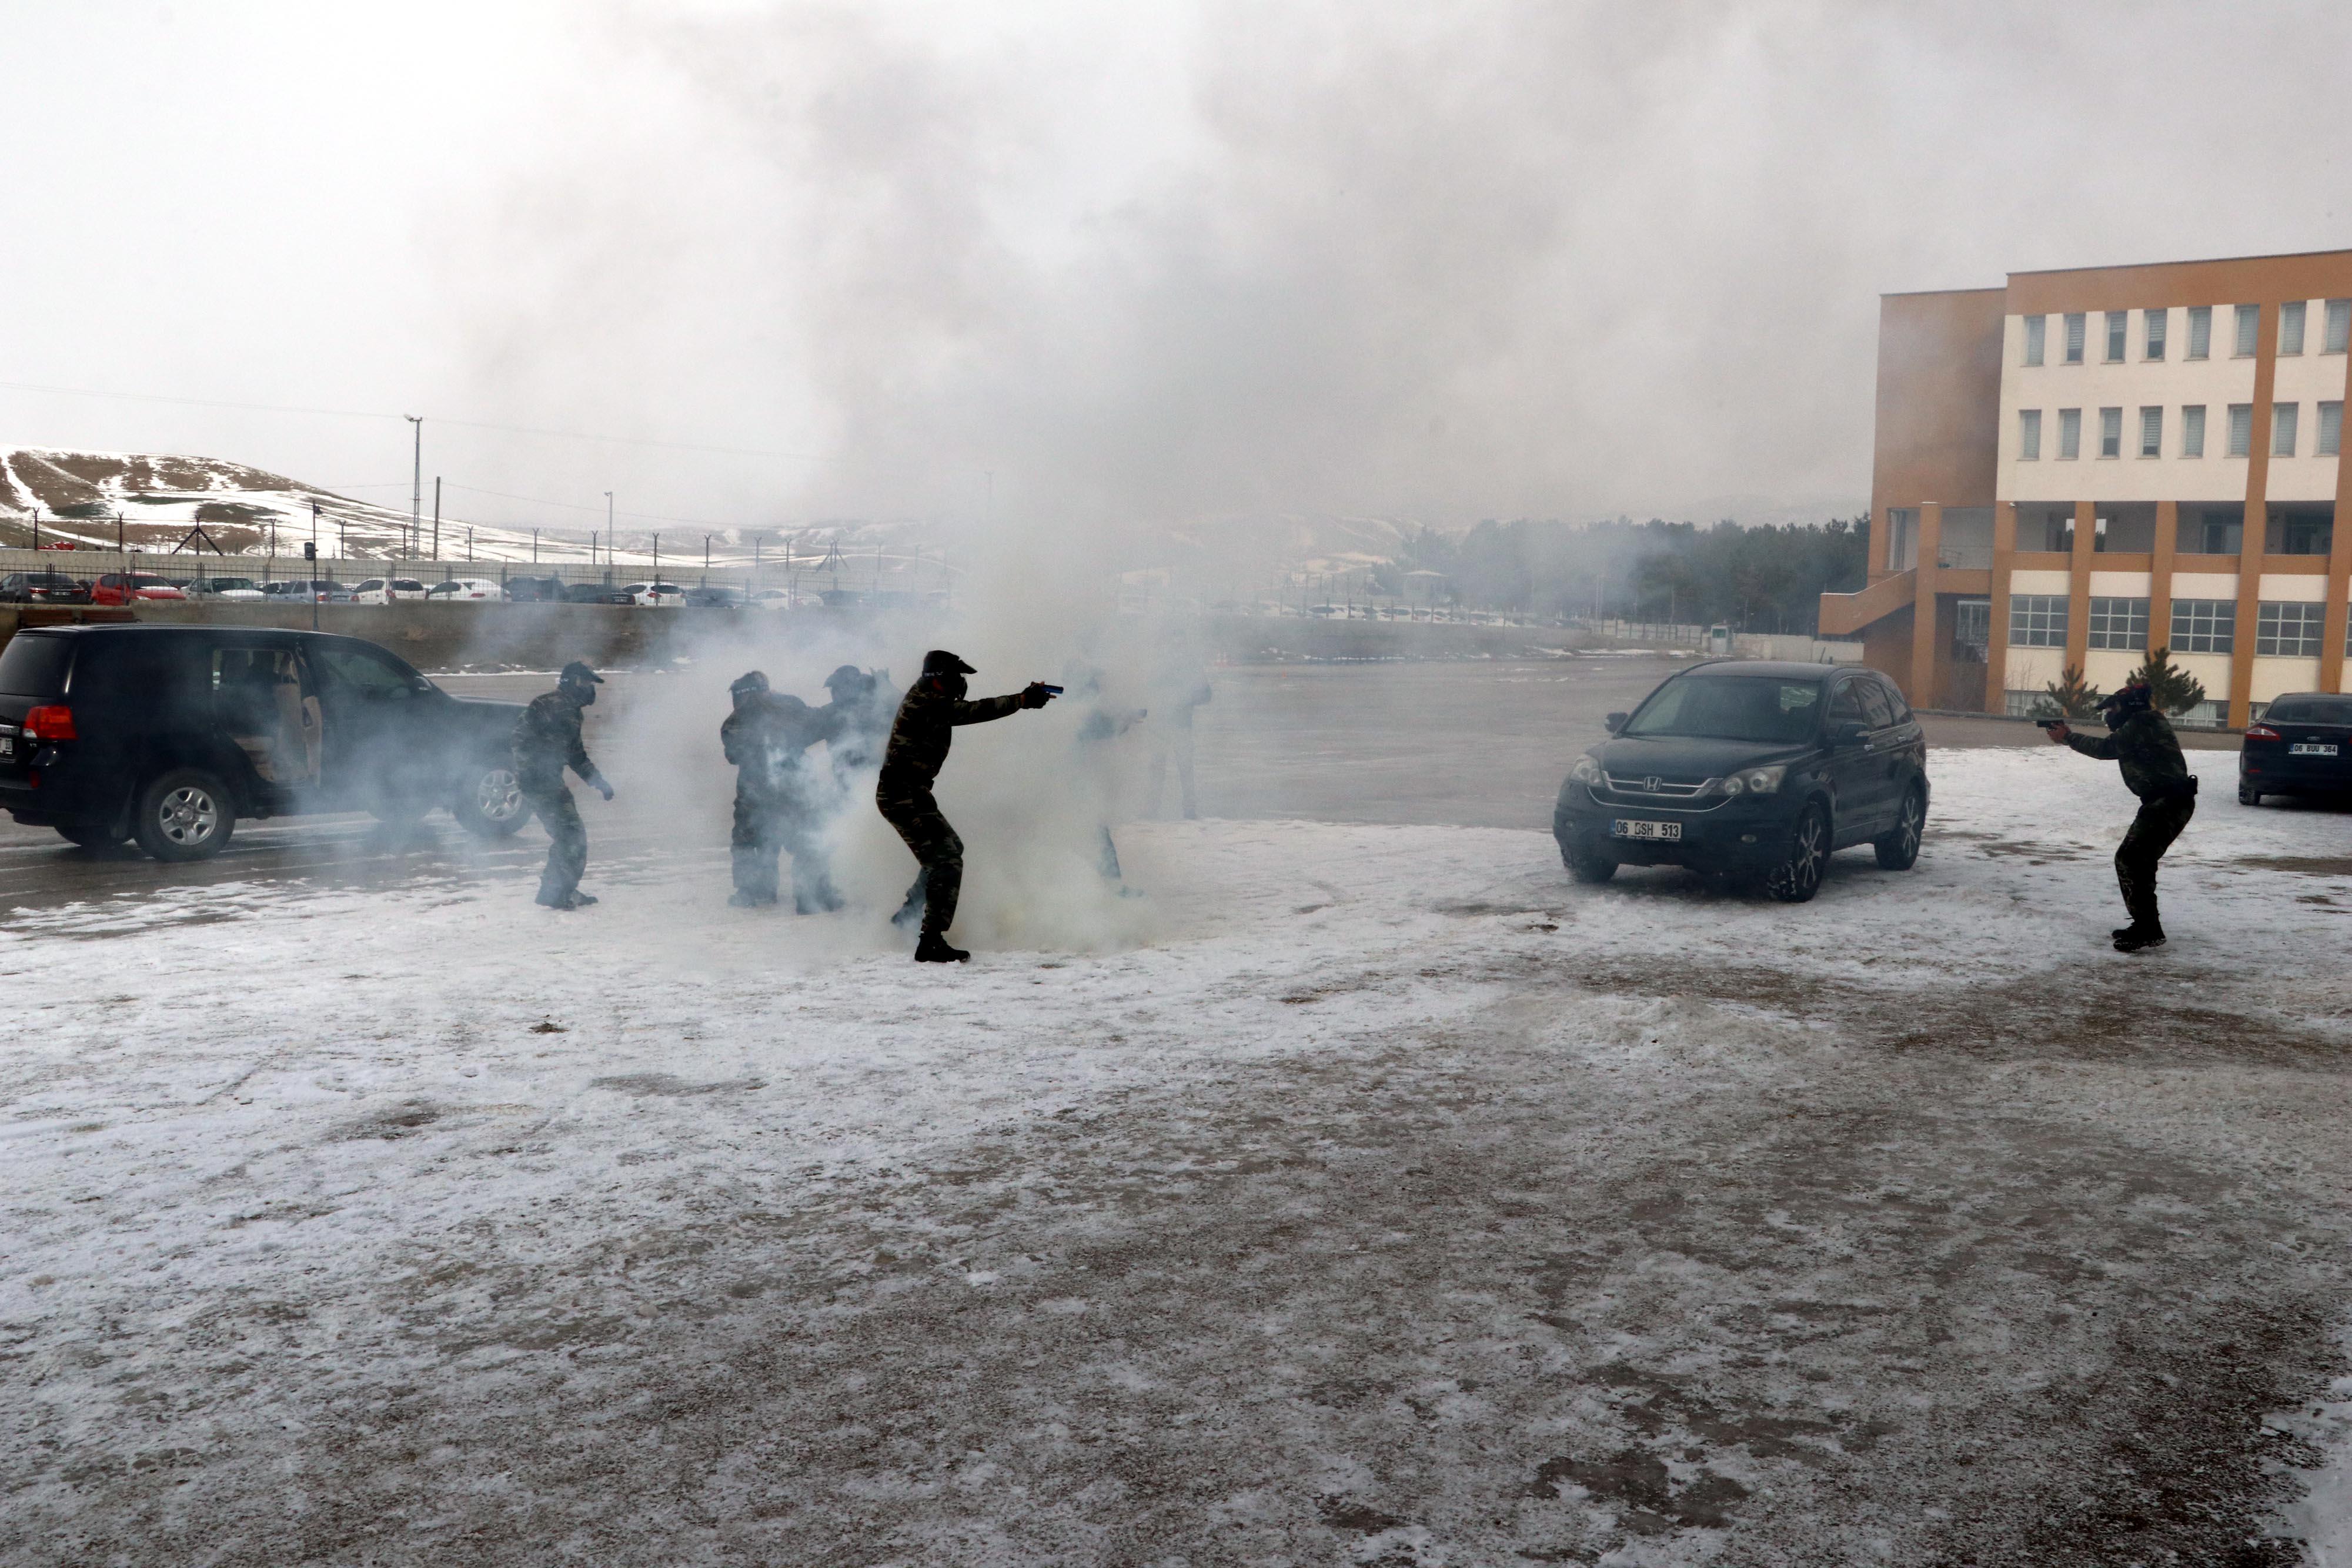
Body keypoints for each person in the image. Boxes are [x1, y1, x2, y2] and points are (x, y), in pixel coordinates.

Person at [876, 649, 1058, 962]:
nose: (960, 682)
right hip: (900, 795)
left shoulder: (929, 697)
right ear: (940, 677)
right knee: (945, 861)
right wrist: (1022, 700)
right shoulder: (926, 703)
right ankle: (930, 941)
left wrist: (1024, 698)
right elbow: (971, 712)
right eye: (955, 676)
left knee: (951, 850)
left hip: (912, 793)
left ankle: (907, 916)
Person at [2046, 674, 2196, 952]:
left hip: (2169, 802)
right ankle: (2144, 924)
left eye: (2113, 710)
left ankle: (2148, 929)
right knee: (2133, 859)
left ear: (2129, 707)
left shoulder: (2143, 722)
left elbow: (2107, 749)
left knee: (2133, 859)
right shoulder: (2144, 723)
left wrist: (2068, 737)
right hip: (2163, 801)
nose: (2109, 716)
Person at [720, 670, 844, 913]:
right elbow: (817, 725)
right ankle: (810, 894)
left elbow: (733, 756)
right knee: (806, 839)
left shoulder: (734, 722)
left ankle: (752, 891)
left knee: (750, 840)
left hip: (755, 793)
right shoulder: (788, 707)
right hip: (794, 788)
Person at [512, 661, 614, 910]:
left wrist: (597, 781)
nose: (591, 690)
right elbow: (572, 754)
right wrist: (596, 781)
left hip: (538, 780)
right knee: (571, 837)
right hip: (542, 782)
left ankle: (562, 889)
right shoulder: (561, 708)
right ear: (575, 682)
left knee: (567, 835)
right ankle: (556, 892)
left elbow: (571, 752)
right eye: (588, 683)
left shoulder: (556, 704)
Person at [1145, 657, 1213, 820]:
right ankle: (1152, 810)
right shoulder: (1158, 664)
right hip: (1160, 726)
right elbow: (1145, 690)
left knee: (1185, 769)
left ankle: (1189, 812)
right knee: (1157, 769)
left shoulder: (1191, 666)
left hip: (1181, 726)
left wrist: (1186, 699)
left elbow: (1206, 694)